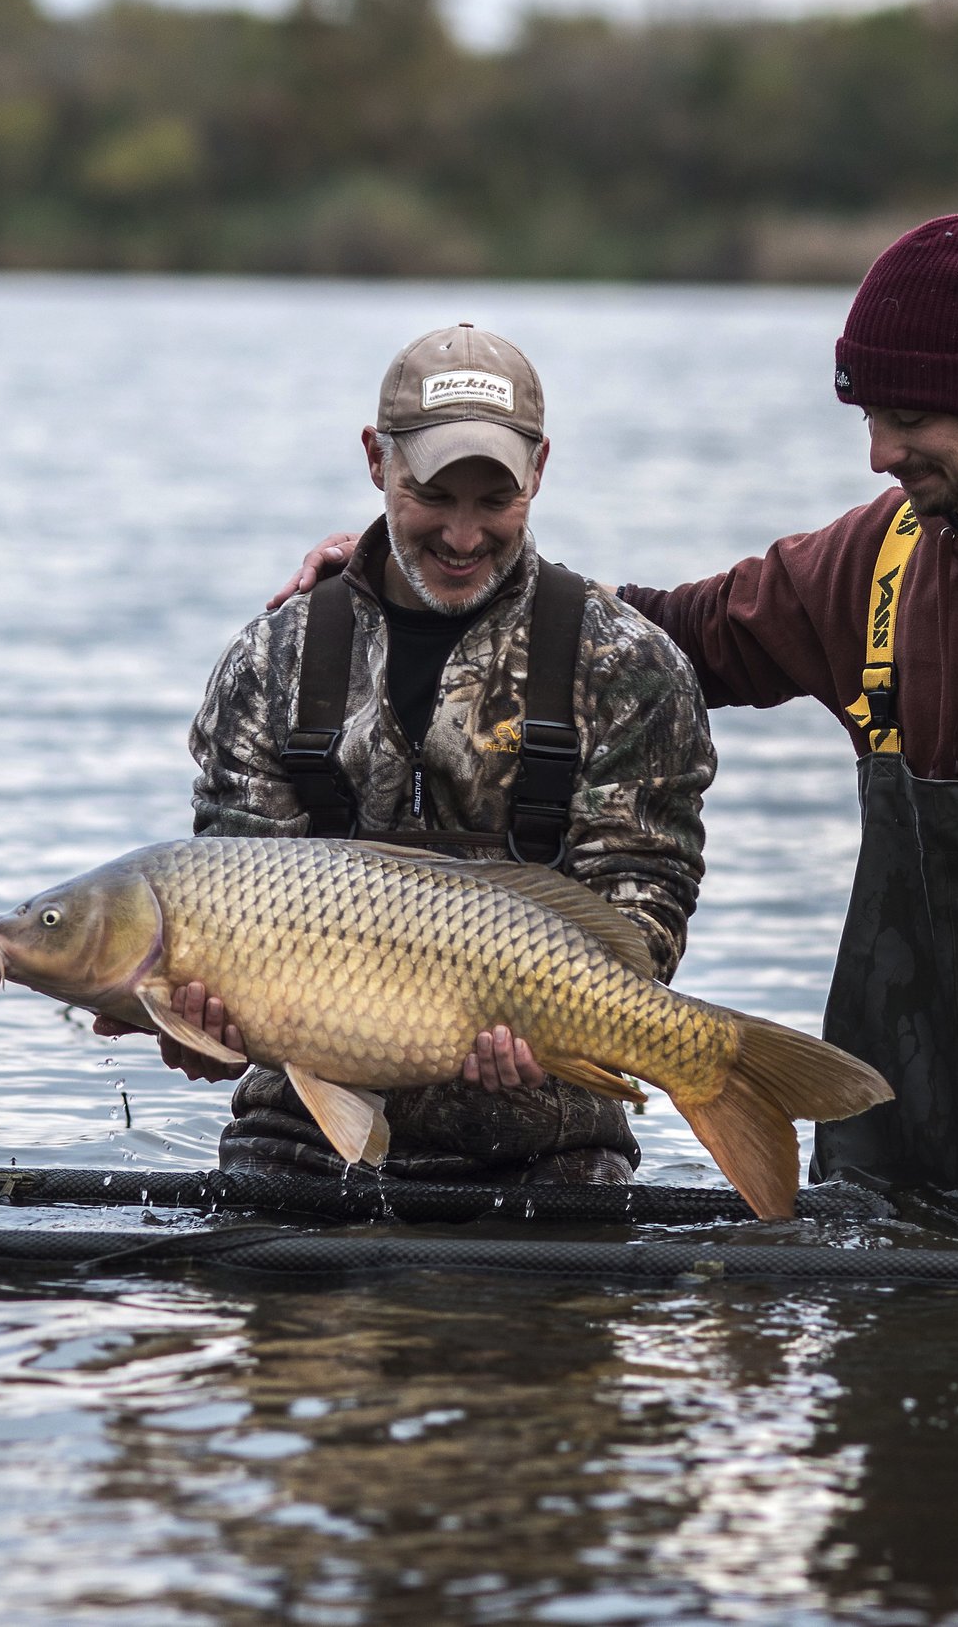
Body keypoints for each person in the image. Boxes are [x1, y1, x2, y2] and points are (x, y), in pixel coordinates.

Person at [275, 219, 958, 1252]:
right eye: (870, 418)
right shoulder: (876, 556)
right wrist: (386, 583)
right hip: (896, 1158)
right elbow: (649, 643)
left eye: (905, 420)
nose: (877, 453)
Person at [103, 322, 716, 1185]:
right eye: (434, 494)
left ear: (539, 472)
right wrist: (202, 1033)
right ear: (376, 460)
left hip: (553, 1151)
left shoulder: (626, 663)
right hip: (299, 1143)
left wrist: (548, 1028)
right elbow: (227, 901)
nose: (463, 537)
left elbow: (640, 920)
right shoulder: (270, 661)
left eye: (493, 501)